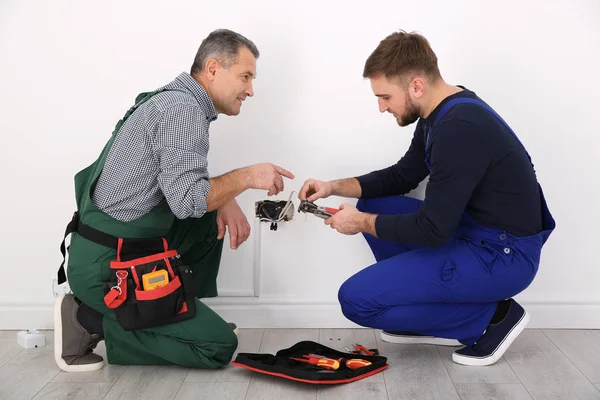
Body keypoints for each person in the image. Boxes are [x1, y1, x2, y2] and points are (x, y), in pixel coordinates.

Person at [299, 30, 555, 366]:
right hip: (474, 233)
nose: (381, 107)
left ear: (416, 85)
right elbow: (404, 175)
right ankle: (422, 315)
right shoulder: (441, 111)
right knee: (377, 203)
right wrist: (333, 186)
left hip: (502, 256)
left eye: (385, 97)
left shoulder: (459, 127)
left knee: (356, 301)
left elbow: (432, 230)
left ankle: (493, 319)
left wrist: (359, 223)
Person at [55, 29, 294, 372]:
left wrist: (226, 198)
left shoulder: (173, 100)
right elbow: (187, 202)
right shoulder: (183, 111)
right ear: (213, 68)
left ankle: (176, 311)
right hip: (106, 269)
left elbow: (181, 185)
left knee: (209, 219)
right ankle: (88, 319)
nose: (250, 90)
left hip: (119, 247)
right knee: (217, 347)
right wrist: (246, 178)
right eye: (245, 77)